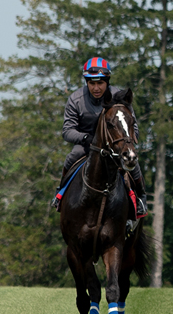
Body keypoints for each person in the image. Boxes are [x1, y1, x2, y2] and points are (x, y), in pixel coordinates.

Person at [54, 57, 147, 230]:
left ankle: (141, 197)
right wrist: (85, 138)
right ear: (87, 82)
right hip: (87, 144)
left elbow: (132, 126)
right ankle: (60, 193)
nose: (96, 88)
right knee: (72, 156)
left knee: (132, 160)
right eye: (92, 83)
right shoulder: (75, 99)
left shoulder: (120, 98)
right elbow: (67, 130)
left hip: (115, 144)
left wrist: (127, 142)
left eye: (100, 83)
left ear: (107, 81)